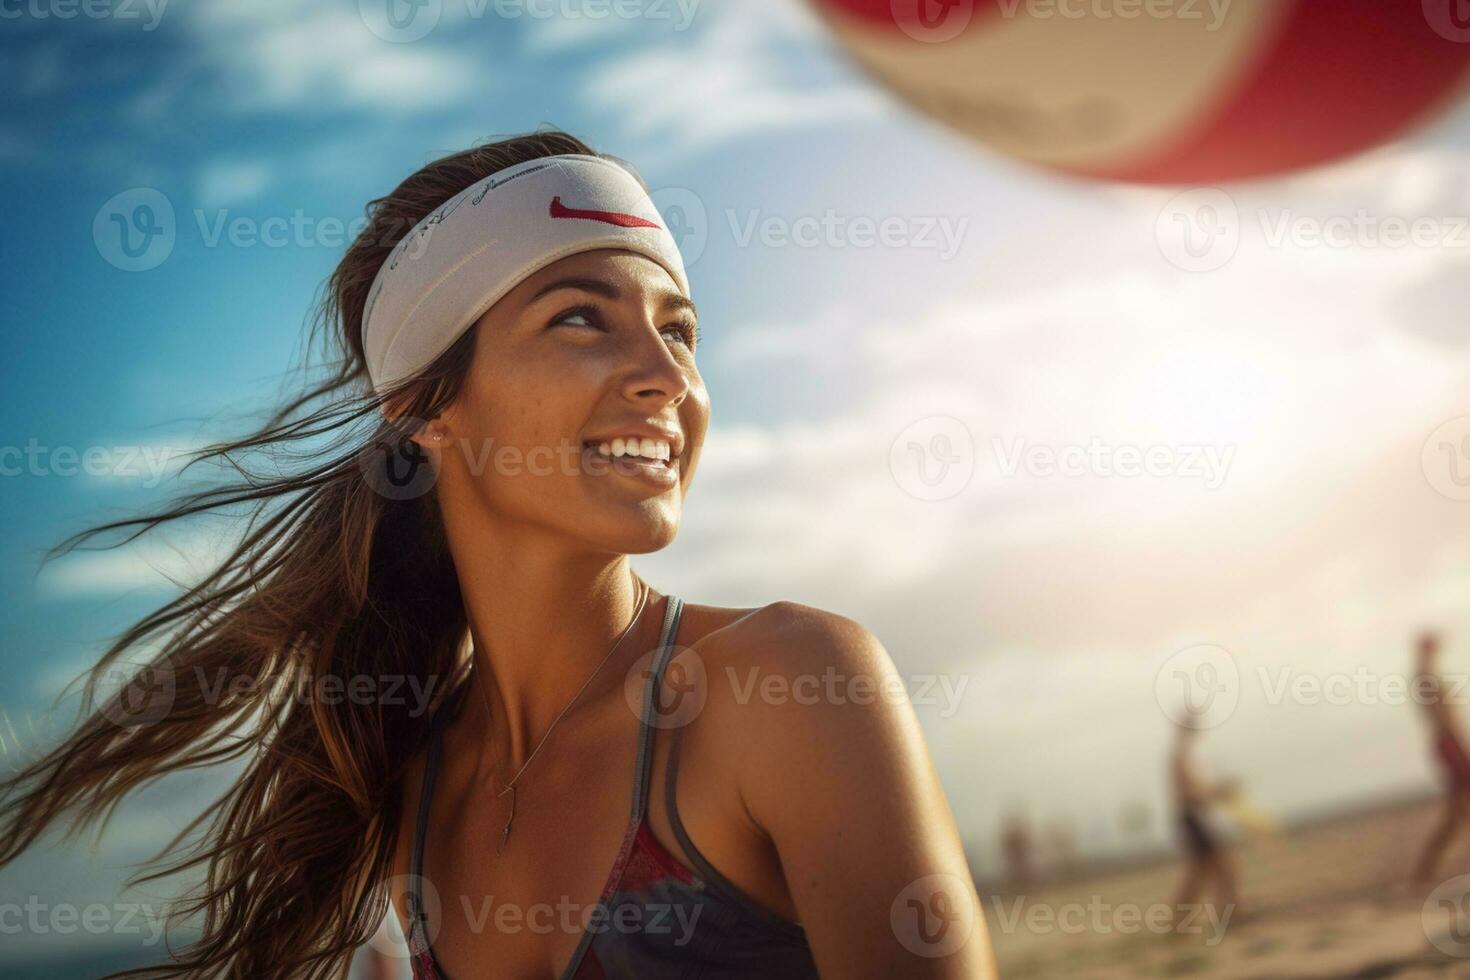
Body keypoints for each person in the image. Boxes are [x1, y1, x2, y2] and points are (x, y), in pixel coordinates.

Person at [0, 132, 995, 979]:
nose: (666, 377)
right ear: (424, 408)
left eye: (679, 330)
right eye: (579, 317)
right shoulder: (409, 791)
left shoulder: (789, 683)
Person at [1170, 711, 1240, 925]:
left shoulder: (1188, 756)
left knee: (1204, 874)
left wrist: (1217, 791)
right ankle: (1230, 918)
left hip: (1197, 819)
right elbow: (1188, 794)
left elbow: (1197, 791)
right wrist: (1219, 792)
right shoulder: (1180, 758)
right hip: (1193, 820)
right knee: (1219, 870)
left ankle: (1179, 924)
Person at [1412, 630, 1470, 888]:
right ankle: (1422, 871)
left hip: (1449, 743)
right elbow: (1442, 718)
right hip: (1449, 744)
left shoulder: (1426, 675)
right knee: (1456, 814)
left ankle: (1423, 870)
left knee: (1455, 816)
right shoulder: (1425, 677)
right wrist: (1457, 748)